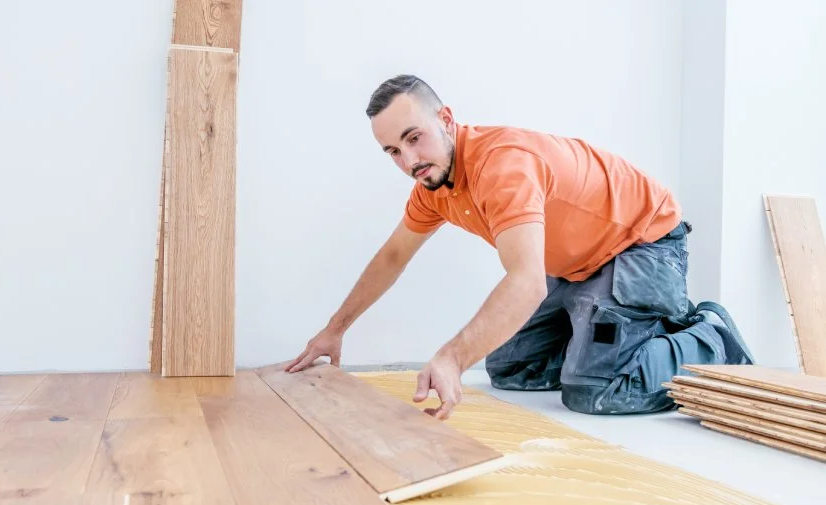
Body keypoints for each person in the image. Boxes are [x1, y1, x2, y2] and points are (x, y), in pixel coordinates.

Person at [285, 74, 753, 420]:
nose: (409, 161)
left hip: (641, 246)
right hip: (575, 268)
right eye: (392, 151)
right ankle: (606, 334)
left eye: (414, 138)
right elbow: (392, 256)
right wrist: (334, 330)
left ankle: (710, 337)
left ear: (445, 120)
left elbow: (526, 282)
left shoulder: (502, 167)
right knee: (511, 366)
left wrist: (450, 357)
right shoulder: (433, 185)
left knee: (597, 390)